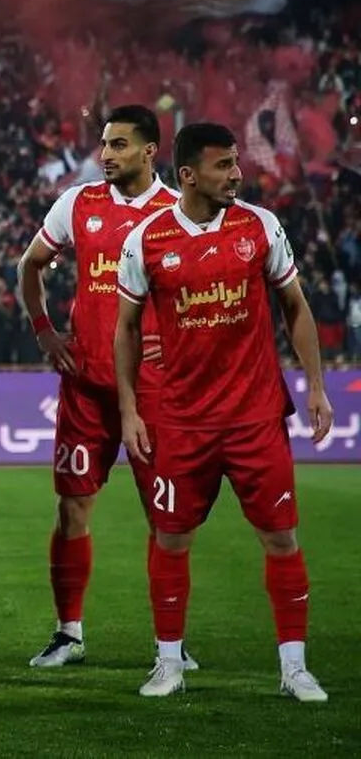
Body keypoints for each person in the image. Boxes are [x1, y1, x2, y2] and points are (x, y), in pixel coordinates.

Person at [115, 122, 332, 701]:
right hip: (182, 421)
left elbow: (295, 306)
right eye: (223, 165)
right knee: (170, 540)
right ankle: (168, 663)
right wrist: (130, 409)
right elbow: (126, 329)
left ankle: (294, 668)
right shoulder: (146, 239)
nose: (236, 174)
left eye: (236, 163)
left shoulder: (259, 226)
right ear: (188, 175)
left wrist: (316, 386)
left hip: (255, 417)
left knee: (282, 538)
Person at [17, 105, 198, 670]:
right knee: (72, 508)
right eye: (104, 144)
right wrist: (44, 331)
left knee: (166, 517)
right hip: (87, 386)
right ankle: (68, 633)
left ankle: (171, 644)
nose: (105, 155)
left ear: (150, 151)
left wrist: (182, 349)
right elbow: (30, 265)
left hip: (155, 391)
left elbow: (201, 295)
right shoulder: (78, 203)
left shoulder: (179, 211)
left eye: (118, 145)